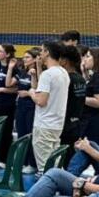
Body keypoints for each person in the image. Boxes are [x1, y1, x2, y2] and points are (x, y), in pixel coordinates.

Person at [31, 41, 71, 170]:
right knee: (56, 165)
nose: (40, 54)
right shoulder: (64, 73)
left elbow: (41, 101)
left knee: (44, 168)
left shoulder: (47, 74)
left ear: (47, 52)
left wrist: (31, 93)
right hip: (57, 125)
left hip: (44, 125)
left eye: (42, 50)